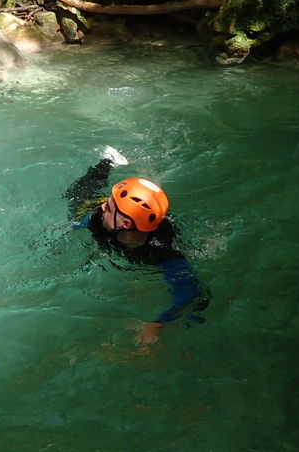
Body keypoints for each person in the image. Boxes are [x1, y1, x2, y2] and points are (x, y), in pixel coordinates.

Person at [65, 146, 208, 348]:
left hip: (143, 232)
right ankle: (108, 162)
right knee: (75, 194)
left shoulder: (161, 252)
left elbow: (191, 294)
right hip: (130, 227)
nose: (103, 206)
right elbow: (73, 226)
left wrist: (157, 324)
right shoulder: (97, 217)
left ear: (125, 224)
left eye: (110, 205)